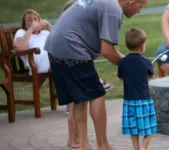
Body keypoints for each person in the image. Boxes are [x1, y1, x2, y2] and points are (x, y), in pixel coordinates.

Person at [44, 0, 147, 150]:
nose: (139, 11)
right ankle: (103, 145)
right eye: (140, 7)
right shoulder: (113, 9)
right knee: (97, 93)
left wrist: (128, 62)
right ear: (132, 2)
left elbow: (104, 47)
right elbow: (107, 51)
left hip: (54, 46)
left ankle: (84, 144)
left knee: (80, 98)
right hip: (71, 47)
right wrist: (132, 67)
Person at [118, 28, 157, 150]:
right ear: (142, 46)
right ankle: (144, 146)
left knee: (133, 127)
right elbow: (151, 75)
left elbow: (121, 76)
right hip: (144, 100)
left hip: (129, 101)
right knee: (150, 125)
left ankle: (136, 147)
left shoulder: (123, 62)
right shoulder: (146, 62)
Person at [13, 9, 52, 75]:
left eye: (35, 19)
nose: (33, 22)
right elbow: (20, 48)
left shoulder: (45, 33)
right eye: (29, 20)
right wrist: (31, 29)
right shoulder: (21, 32)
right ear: (24, 24)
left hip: (51, 60)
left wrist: (49, 26)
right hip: (36, 65)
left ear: (39, 21)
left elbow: (61, 41)